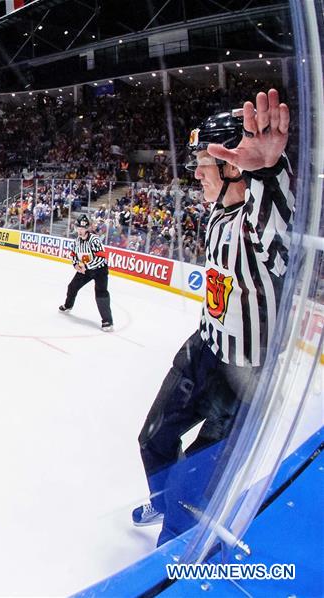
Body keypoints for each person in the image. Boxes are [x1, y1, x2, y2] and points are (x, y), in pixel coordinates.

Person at [133, 90, 294, 545]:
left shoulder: (256, 224)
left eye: (205, 164)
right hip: (204, 347)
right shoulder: (217, 214)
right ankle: (164, 499)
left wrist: (269, 169)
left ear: (234, 168)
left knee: (193, 492)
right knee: (152, 440)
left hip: (244, 373)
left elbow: (277, 234)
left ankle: (175, 541)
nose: (197, 174)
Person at [58, 214, 114, 331]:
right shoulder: (77, 241)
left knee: (101, 293)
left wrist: (86, 266)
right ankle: (68, 306)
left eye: (82, 228)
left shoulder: (94, 240)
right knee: (72, 287)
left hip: (100, 271)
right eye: (78, 228)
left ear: (87, 228)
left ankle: (107, 321)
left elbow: (101, 257)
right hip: (86, 270)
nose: (80, 230)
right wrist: (75, 265)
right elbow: (73, 255)